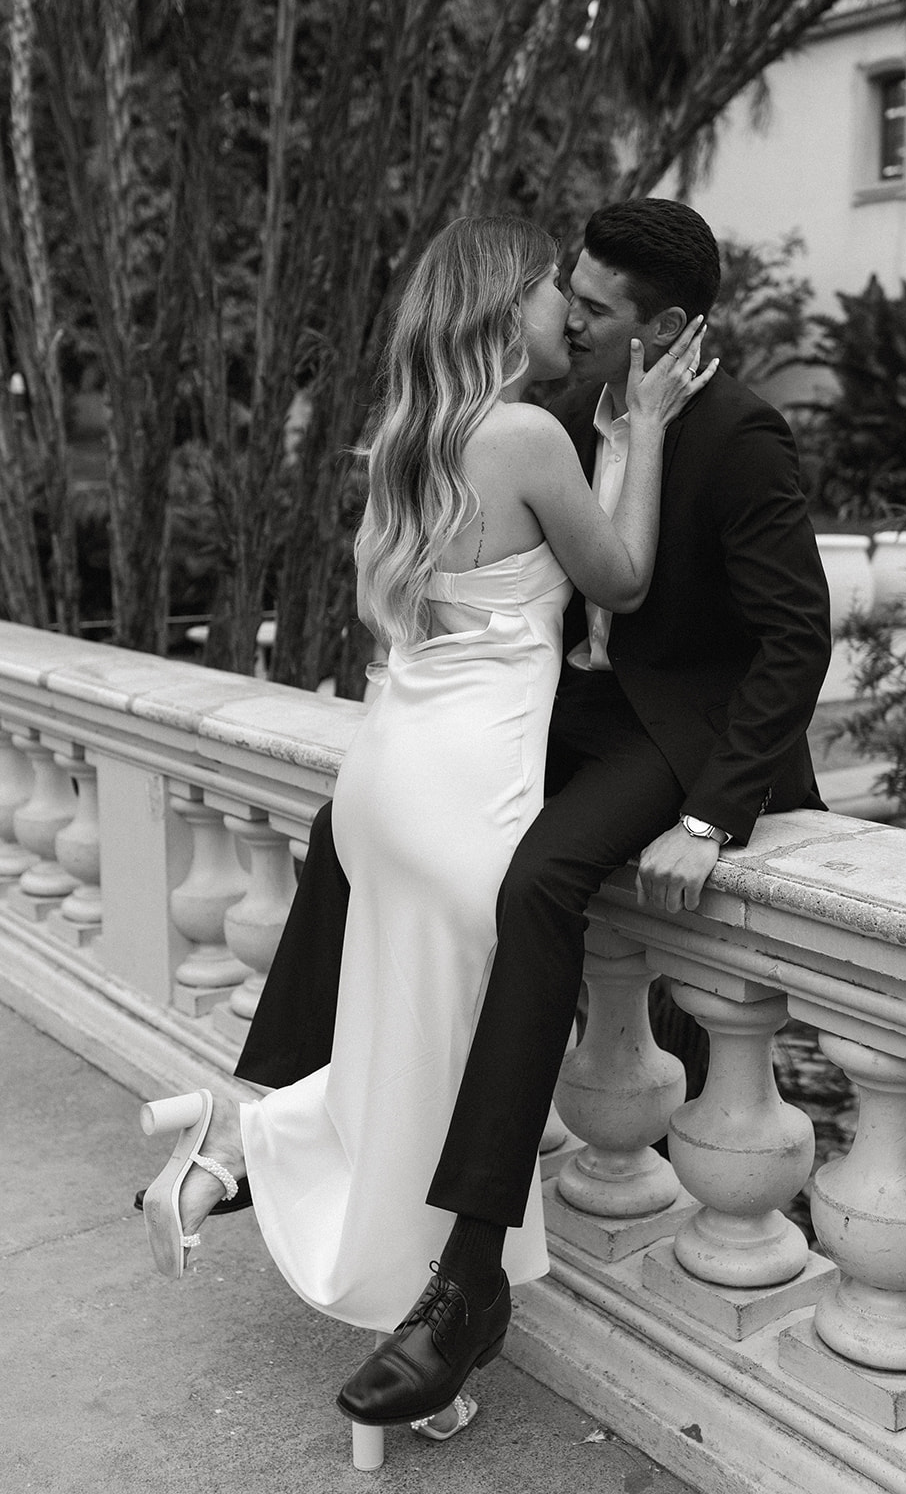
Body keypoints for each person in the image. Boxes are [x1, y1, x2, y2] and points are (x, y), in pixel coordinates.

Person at [138, 213, 714, 1440]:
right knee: (446, 1076)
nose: (568, 305)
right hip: (464, 796)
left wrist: (607, 443)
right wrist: (649, 429)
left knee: (410, 1056)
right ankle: (374, 1259)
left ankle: (237, 1144)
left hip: (380, 784)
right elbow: (615, 583)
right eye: (553, 288)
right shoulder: (518, 434)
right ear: (507, 307)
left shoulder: (413, 440)